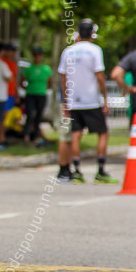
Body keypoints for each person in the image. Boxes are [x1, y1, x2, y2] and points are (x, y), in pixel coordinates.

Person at [57, 18, 114, 184]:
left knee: (75, 134)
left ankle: (76, 170)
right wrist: (105, 99)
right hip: (92, 100)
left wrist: (66, 101)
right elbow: (100, 76)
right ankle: (101, 169)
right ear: (92, 34)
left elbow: (63, 79)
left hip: (74, 100)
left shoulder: (68, 51)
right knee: (102, 133)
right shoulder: (95, 50)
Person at [21, 46, 52, 145]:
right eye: (35, 55)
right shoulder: (29, 69)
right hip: (30, 94)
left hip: (41, 95)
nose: (37, 57)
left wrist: (43, 89)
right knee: (29, 115)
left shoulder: (46, 69)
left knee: (39, 116)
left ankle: (35, 136)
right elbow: (21, 82)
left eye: (39, 55)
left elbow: (50, 82)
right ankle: (26, 136)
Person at [3, 42, 19, 111]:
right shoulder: (2, 62)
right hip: (3, 93)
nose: (13, 53)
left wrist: (16, 94)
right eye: (11, 51)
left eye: (14, 51)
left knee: (9, 115)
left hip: (11, 93)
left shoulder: (14, 64)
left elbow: (14, 80)